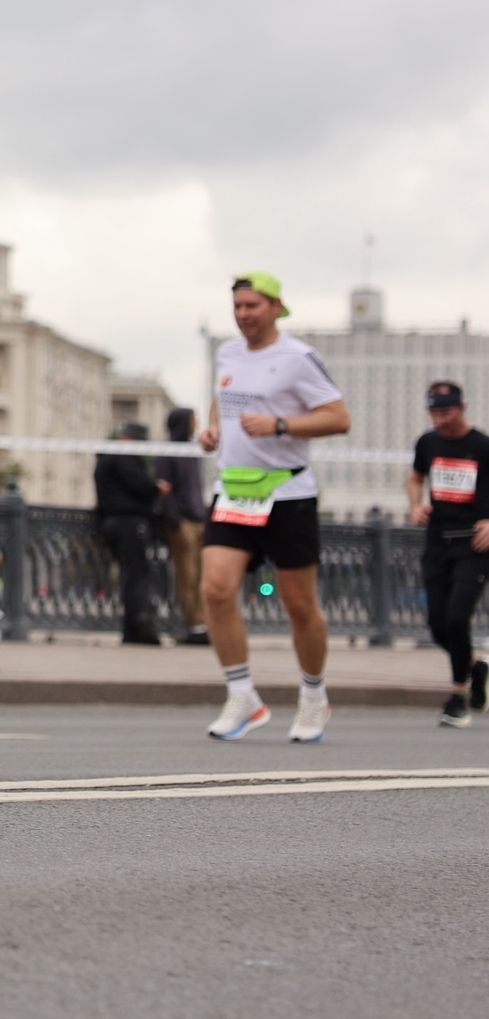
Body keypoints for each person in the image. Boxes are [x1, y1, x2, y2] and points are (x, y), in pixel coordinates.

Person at [198, 272, 350, 742]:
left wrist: (280, 424)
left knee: (299, 604)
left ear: (276, 307)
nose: (244, 314)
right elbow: (224, 399)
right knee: (216, 590)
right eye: (238, 306)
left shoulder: (298, 357)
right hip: (235, 490)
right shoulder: (227, 352)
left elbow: (338, 417)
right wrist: (214, 429)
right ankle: (242, 695)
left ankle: (313, 696)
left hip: (288, 493)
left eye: (253, 306)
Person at [406, 381, 489, 728]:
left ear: (462, 408)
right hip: (437, 542)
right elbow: (415, 478)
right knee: (438, 625)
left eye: (446, 412)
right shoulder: (428, 443)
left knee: (457, 618)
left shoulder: (482, 445)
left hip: (474, 545)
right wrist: (416, 504)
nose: (440, 419)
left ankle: (457, 697)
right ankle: (475, 668)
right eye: (434, 412)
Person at [95, 422, 163, 645]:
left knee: (128, 575)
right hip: (130, 522)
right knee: (137, 575)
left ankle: (130, 630)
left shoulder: (105, 457)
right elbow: (139, 485)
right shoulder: (124, 456)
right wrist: (156, 489)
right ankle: (139, 626)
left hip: (110, 521)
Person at [160, 406, 212, 644]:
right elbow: (164, 490)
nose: (196, 424)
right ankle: (195, 625)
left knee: (202, 576)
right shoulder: (168, 452)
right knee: (187, 576)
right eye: (193, 420)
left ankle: (205, 624)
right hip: (183, 523)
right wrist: (176, 520)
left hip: (198, 520)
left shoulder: (193, 451)